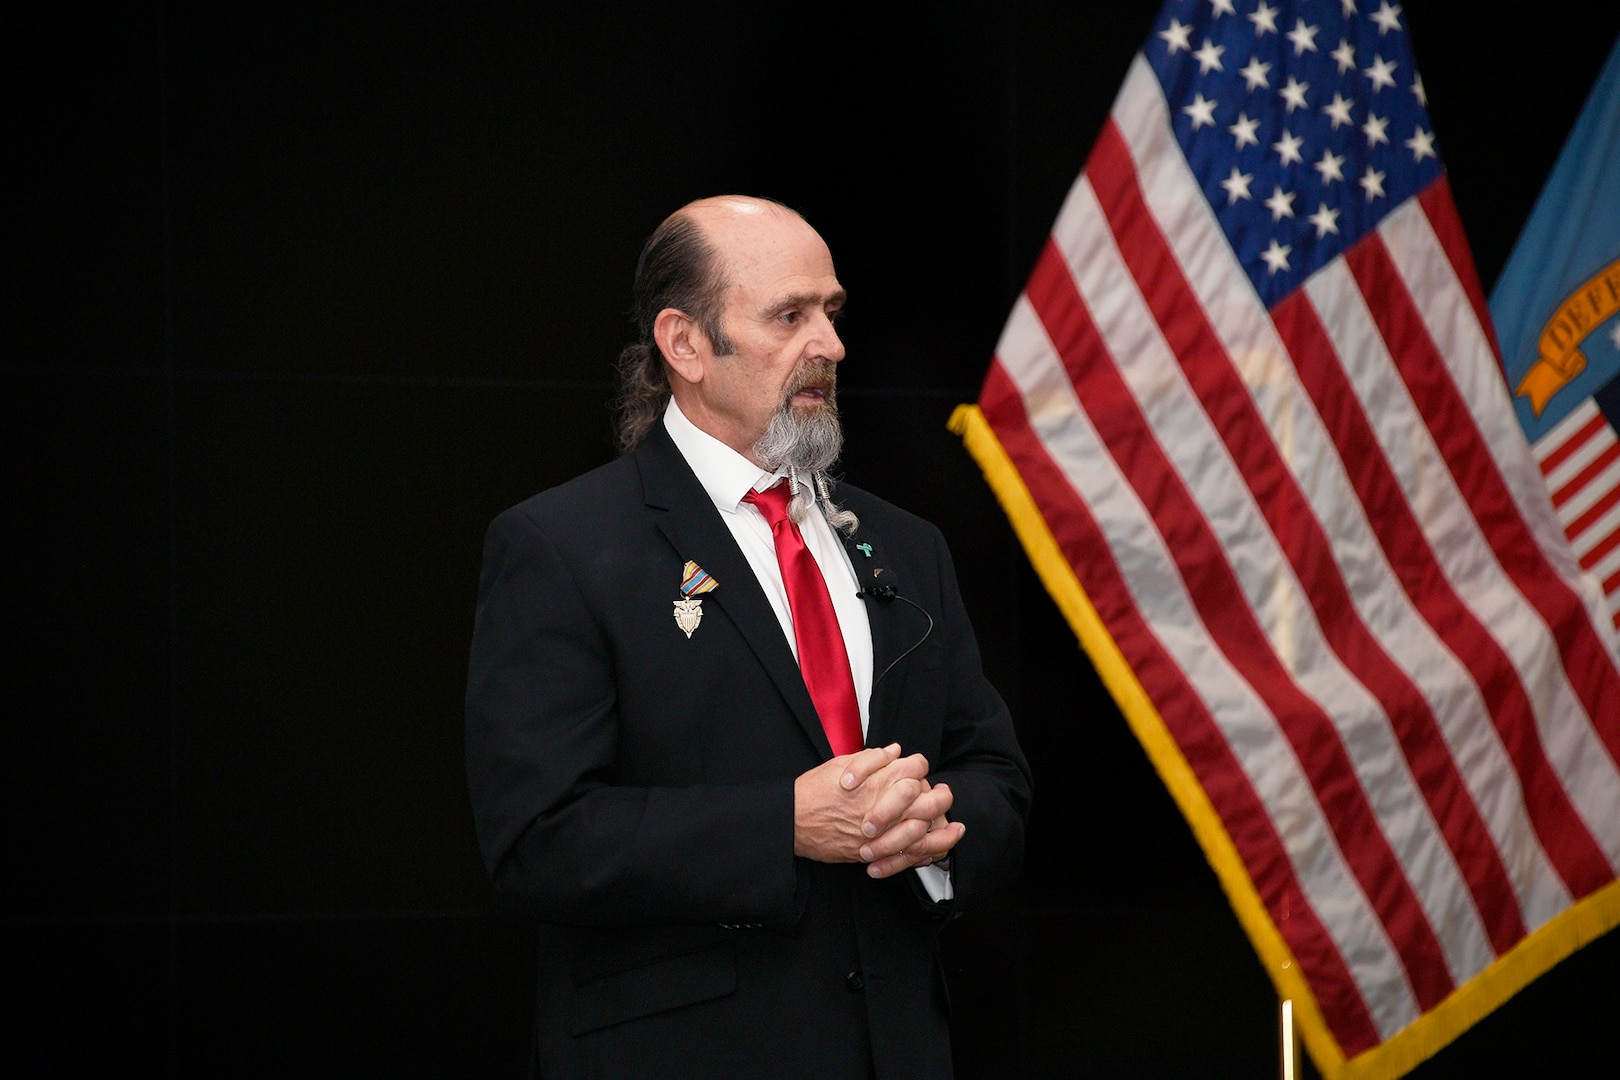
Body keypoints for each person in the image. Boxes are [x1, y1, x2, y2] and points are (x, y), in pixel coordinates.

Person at [464, 194, 1031, 1078]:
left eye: (832, 314)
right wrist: (785, 826)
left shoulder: (907, 545)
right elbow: (538, 840)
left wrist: (937, 823)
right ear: (684, 345)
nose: (832, 347)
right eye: (790, 316)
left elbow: (996, 775)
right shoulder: (562, 547)